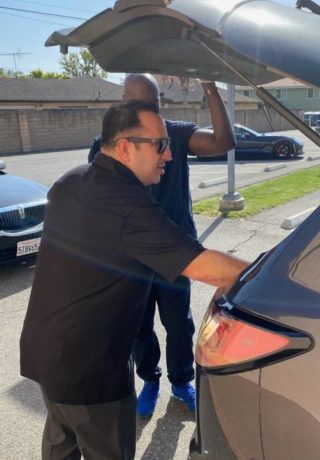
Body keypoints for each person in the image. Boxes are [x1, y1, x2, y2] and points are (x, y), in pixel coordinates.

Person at [20, 101, 248, 460]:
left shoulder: (72, 181)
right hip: (93, 371)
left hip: (50, 358)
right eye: (161, 144)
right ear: (125, 146)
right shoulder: (124, 204)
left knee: (61, 443)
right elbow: (207, 267)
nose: (170, 155)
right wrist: (278, 272)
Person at [88, 74, 234, 416]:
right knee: (138, 325)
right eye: (133, 101)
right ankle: (149, 379)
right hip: (129, 257)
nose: (141, 108)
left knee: (177, 324)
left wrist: (209, 88)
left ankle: (181, 382)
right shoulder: (107, 142)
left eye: (148, 102)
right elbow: (98, 197)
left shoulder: (177, 134)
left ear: (157, 103)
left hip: (175, 253)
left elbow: (223, 142)